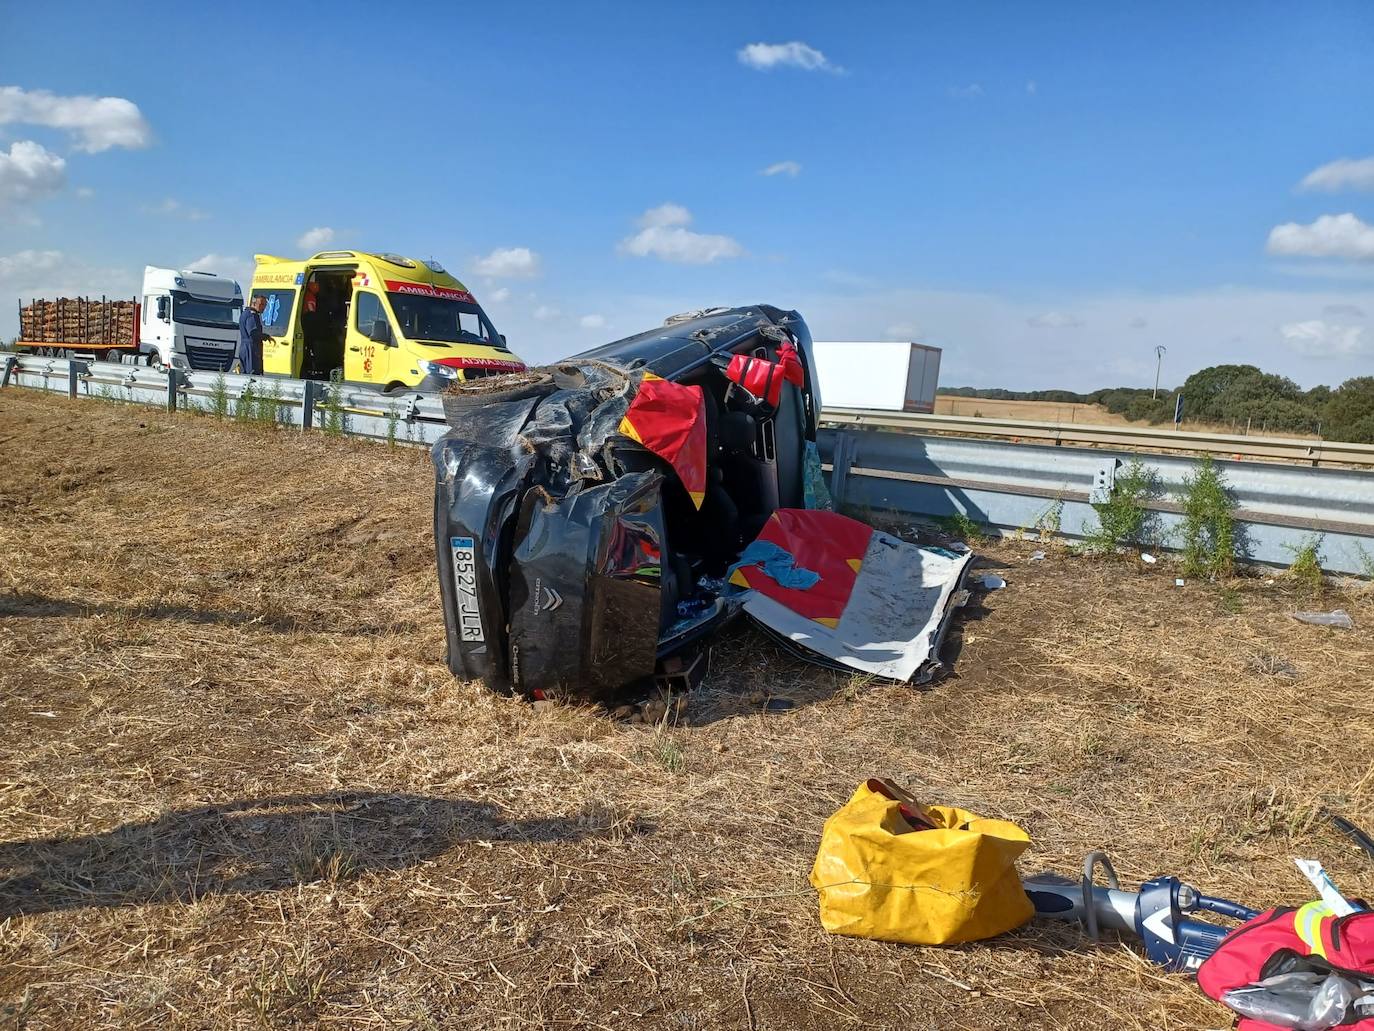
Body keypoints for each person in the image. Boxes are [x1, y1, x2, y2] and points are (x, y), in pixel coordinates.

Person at [237, 294, 267, 375]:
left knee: (245, 374)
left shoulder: (245, 313)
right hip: (251, 349)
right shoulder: (252, 315)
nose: (263, 307)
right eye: (261, 304)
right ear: (253, 303)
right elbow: (253, 333)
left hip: (245, 347)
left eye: (265, 305)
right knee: (252, 375)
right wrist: (265, 336)